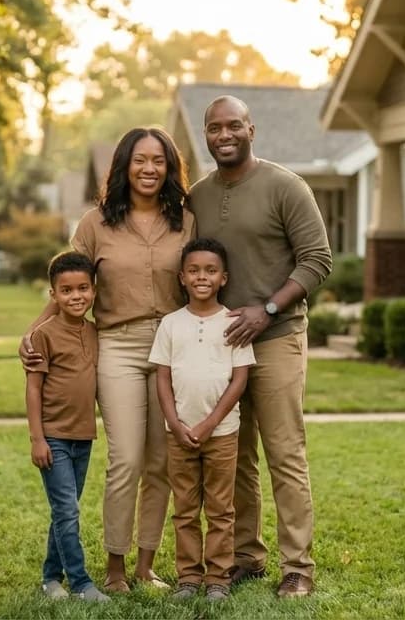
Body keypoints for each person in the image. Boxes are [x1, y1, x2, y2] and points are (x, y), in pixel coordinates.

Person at [20, 126, 195, 592]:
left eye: (159, 160)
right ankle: (115, 569)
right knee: (127, 459)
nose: (149, 169)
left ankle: (145, 567)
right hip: (117, 343)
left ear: (170, 167)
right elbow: (66, 284)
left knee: (162, 463)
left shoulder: (186, 220)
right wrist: (35, 330)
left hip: (173, 347)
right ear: (123, 165)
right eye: (140, 160)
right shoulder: (95, 223)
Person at [190, 95, 332, 599]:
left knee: (284, 452)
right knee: (234, 456)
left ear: (252, 129)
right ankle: (245, 556)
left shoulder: (286, 186)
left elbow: (317, 260)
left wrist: (267, 310)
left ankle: (298, 568)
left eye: (233, 126)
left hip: (276, 337)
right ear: (205, 134)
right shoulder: (197, 196)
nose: (223, 135)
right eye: (214, 128)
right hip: (221, 348)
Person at [151, 237, 253, 603]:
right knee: (185, 509)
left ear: (224, 278)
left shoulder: (234, 322)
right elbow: (162, 376)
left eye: (211, 270)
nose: (202, 277)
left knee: (221, 509)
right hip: (178, 434)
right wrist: (175, 423)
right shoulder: (171, 324)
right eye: (193, 270)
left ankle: (217, 580)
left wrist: (210, 423)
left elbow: (239, 379)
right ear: (182, 277)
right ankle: (189, 578)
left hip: (222, 433)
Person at [24, 251, 111, 602]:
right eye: (66, 290)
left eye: (83, 289)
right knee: (67, 511)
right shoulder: (43, 335)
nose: (76, 296)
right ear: (53, 295)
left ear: (93, 291)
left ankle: (50, 578)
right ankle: (80, 583)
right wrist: (37, 439)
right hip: (54, 438)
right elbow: (33, 389)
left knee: (65, 510)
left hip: (83, 438)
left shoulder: (93, 332)